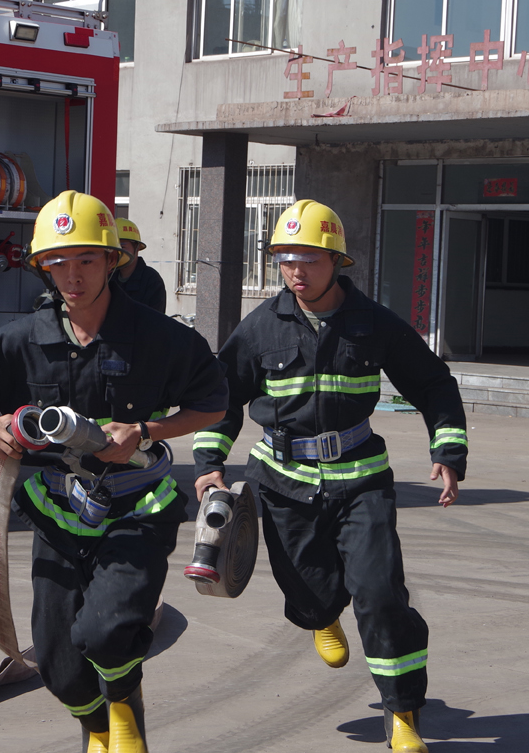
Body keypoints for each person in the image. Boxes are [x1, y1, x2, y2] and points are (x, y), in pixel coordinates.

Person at [0, 191, 227, 753]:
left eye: (87, 259)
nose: (73, 275)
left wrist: (146, 432)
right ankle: (95, 726)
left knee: (106, 631)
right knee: (57, 662)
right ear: (42, 266)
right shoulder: (23, 339)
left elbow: (212, 402)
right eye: (58, 262)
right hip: (57, 513)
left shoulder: (157, 336)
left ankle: (125, 704)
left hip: (138, 508)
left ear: (113, 260)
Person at [191, 200, 468, 753]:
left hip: (361, 480)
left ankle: (402, 714)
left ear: (337, 260)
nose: (297, 270)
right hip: (282, 484)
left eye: (310, 258)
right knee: (311, 595)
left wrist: (448, 448)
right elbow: (222, 396)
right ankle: (320, 615)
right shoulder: (260, 327)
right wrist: (209, 464)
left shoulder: (374, 323)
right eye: (286, 258)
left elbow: (433, 382)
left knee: (380, 594)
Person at [115, 218, 167, 314]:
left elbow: (155, 320)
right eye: (114, 247)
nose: (118, 252)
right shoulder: (108, 279)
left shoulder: (152, 281)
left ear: (137, 247)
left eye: (122, 247)